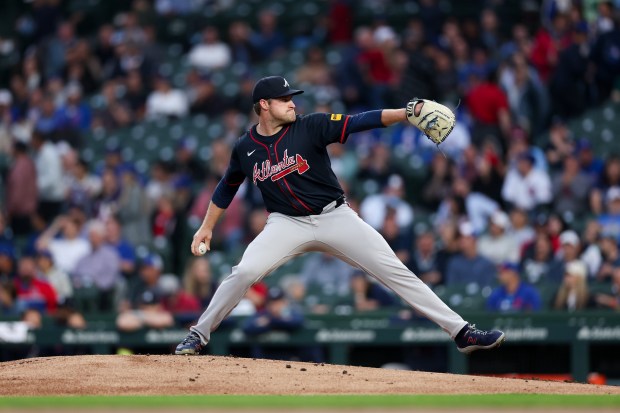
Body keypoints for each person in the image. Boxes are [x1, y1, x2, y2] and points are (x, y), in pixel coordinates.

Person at [175, 75, 505, 356]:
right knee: (243, 271)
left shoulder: (311, 126)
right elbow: (226, 188)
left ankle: (462, 332)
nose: (292, 103)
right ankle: (198, 334)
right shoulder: (245, 147)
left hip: (335, 217)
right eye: (283, 99)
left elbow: (361, 121)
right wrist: (206, 227)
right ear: (263, 105)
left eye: (292, 98)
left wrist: (407, 112)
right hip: (285, 224)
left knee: (395, 272)